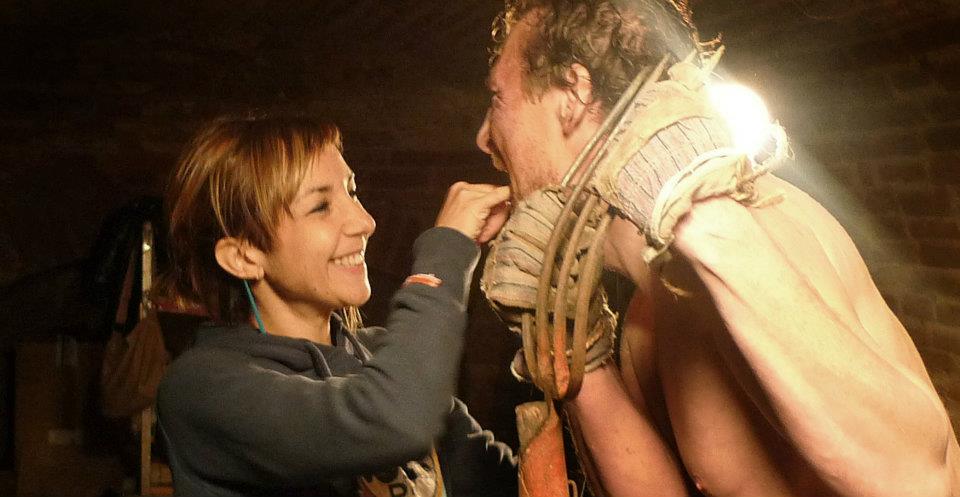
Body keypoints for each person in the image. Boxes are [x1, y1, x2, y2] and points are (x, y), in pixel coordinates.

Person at [475, 1, 960, 496]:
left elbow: (919, 480)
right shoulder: (647, 312)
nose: (484, 138)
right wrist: (574, 353)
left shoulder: (757, 220)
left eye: (497, 98)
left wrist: (696, 208)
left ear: (572, 94)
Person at [156, 114, 516, 497]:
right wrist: (446, 251)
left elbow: (505, 485)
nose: (365, 222)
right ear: (243, 256)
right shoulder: (204, 390)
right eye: (321, 206)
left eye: (352, 192)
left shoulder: (381, 359)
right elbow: (393, 420)